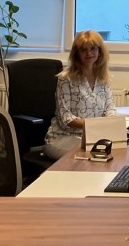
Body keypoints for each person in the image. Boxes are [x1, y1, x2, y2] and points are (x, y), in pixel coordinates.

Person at [43, 30, 118, 159]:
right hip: (63, 138)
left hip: (92, 136)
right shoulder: (66, 78)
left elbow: (110, 108)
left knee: (116, 152)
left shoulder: (103, 77)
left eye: (93, 48)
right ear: (76, 54)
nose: (89, 54)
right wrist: (96, 125)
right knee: (94, 156)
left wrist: (108, 123)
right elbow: (66, 118)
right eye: (83, 50)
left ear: (100, 51)